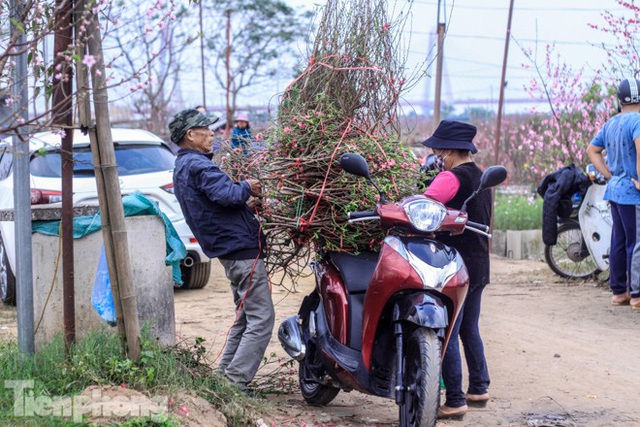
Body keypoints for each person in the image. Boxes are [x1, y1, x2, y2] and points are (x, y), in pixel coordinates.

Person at [169, 108, 275, 390]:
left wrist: (245, 204)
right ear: (190, 135)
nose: (212, 133)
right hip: (240, 249)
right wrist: (248, 186)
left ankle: (225, 380)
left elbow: (214, 205)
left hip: (228, 248)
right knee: (262, 320)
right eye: (206, 129)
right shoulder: (199, 165)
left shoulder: (183, 166)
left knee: (245, 318)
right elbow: (227, 194)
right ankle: (236, 384)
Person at [421, 120, 492, 419]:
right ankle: (478, 386)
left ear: (449, 151)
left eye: (438, 151)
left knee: (446, 331)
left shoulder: (451, 177)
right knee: (468, 327)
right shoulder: (481, 175)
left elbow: (421, 206)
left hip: (456, 265)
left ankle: (454, 399)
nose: (437, 156)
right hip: (479, 263)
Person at [586, 78, 640, 308]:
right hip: (632, 191)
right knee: (637, 241)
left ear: (619, 100)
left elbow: (592, 150)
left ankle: (619, 292)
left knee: (619, 240)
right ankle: (637, 293)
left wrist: (609, 175)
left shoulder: (611, 123)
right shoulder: (637, 121)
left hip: (615, 191)